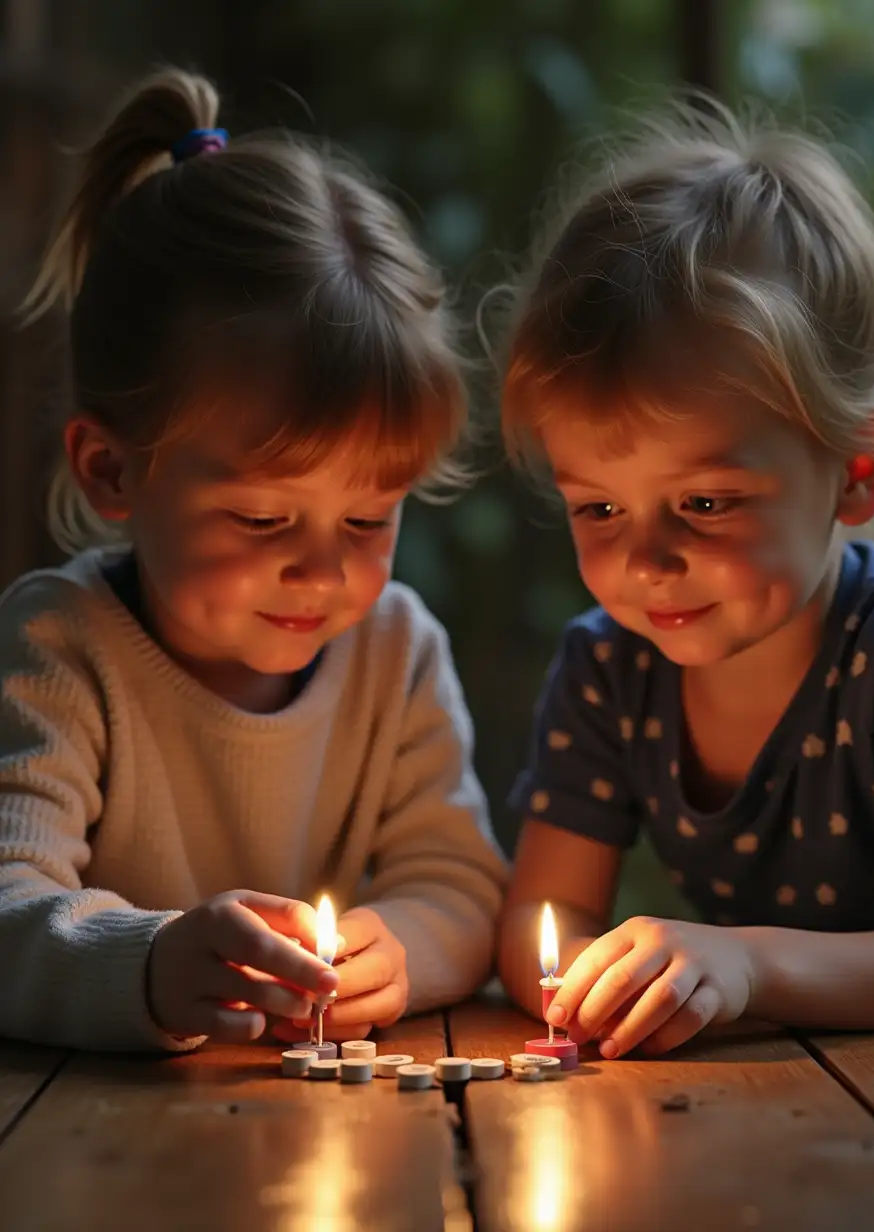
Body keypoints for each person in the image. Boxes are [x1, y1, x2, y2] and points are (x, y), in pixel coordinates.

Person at [0, 68, 506, 1052]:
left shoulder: (395, 653)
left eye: (366, 520)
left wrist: (392, 950)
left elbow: (459, 887)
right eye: (265, 520)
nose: (322, 573)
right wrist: (145, 962)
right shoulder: (59, 649)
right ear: (112, 470)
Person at [496, 99, 874, 1059]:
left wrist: (747, 967)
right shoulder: (610, 670)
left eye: (706, 503)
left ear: (857, 473)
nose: (645, 561)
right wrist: (590, 982)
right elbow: (545, 921)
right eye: (599, 508)